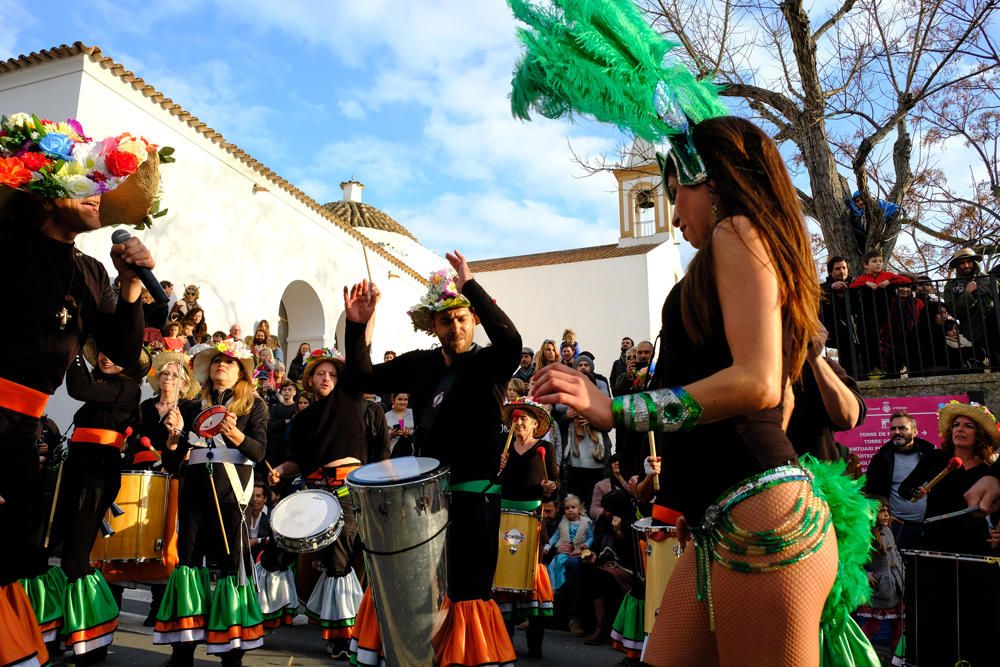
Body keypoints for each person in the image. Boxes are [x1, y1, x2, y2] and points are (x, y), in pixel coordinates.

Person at [530, 115, 876, 665]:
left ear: (709, 181)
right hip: (720, 523)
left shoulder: (734, 231)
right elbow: (779, 399)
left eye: (676, 193)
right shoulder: (731, 253)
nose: (672, 214)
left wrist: (616, 409)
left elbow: (759, 385)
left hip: (760, 522)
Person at [0, 112, 157, 667]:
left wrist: (132, 285)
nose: (99, 196)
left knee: (14, 557)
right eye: (85, 184)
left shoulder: (91, 273)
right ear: (45, 189)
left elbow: (122, 346)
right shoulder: (9, 243)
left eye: (102, 187)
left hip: (22, 435)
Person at [341, 252, 521, 667]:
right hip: (425, 501)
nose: (455, 327)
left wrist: (471, 284)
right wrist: (356, 324)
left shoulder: (490, 362)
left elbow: (511, 341)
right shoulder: (419, 363)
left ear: (473, 320)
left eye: (462, 318)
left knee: (469, 590)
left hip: (475, 495)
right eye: (446, 320)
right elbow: (360, 379)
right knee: (419, 591)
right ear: (433, 325)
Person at [156, 340, 267, 666]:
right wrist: (174, 439)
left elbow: (259, 452)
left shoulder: (253, 406)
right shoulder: (191, 406)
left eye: (229, 363)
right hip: (194, 493)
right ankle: (183, 649)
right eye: (217, 361)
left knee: (232, 567)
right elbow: (172, 461)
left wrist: (234, 435)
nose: (222, 365)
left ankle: (232, 650)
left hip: (232, 494)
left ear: (241, 372)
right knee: (187, 565)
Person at [47, 343, 148, 661]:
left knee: (77, 558)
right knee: (58, 552)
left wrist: (72, 346)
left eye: (115, 353)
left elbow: (78, 388)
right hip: (76, 468)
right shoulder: (100, 387)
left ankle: (93, 636)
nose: (106, 356)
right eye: (102, 351)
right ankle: (60, 631)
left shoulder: (128, 388)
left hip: (98, 474)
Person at [268, 348, 366, 659]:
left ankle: (341, 638)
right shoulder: (303, 418)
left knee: (340, 561)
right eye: (321, 373)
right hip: (312, 491)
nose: (326, 378)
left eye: (333, 374)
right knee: (278, 548)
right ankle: (268, 616)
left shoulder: (349, 401)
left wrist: (364, 320)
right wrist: (281, 470)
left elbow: (361, 353)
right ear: (309, 379)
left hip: (345, 491)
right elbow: (297, 460)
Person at [897, 401, 1000, 666]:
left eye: (968, 426)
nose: (960, 430)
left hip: (972, 547)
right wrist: (917, 492)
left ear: (980, 435)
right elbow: (906, 489)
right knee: (934, 609)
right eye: (956, 425)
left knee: (971, 610)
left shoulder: (989, 472)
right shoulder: (935, 459)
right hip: (934, 543)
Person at [494, 397, 558, 660]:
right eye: (515, 419)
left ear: (534, 424)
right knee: (504, 578)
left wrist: (551, 488)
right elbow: (491, 480)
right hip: (504, 517)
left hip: (533, 516)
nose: (518, 422)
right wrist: (494, 468)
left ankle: (535, 643)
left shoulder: (546, 448)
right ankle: (504, 640)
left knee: (533, 576)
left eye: (523, 419)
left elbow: (555, 482)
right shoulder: (502, 447)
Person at [863, 410, 935, 550]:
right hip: (898, 527)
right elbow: (872, 493)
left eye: (902, 428)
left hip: (929, 526)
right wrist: (884, 517)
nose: (897, 432)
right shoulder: (881, 459)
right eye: (893, 428)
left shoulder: (930, 455)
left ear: (915, 432)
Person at [854, 498, 904, 657]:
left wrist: (902, 570)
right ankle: (859, 652)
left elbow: (895, 553)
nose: (886, 514)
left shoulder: (888, 531)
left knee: (899, 624)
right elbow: (855, 559)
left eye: (887, 511)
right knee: (873, 624)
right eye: (882, 511)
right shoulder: (866, 536)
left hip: (895, 585)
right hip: (880, 588)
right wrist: (864, 574)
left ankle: (896, 657)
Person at [850, 251, 908, 375]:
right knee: (871, 341)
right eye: (874, 261)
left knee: (888, 341)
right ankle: (874, 369)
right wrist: (866, 284)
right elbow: (852, 286)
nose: (878, 264)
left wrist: (889, 282)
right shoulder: (862, 278)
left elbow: (906, 280)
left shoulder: (888, 275)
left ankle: (892, 370)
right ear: (866, 265)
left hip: (887, 314)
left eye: (880, 261)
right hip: (868, 316)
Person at [544, 494, 593, 637]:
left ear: (579, 509)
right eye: (567, 508)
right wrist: (550, 546)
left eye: (573, 507)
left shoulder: (586, 523)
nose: (570, 510)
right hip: (561, 554)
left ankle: (574, 617)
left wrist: (586, 546)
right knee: (554, 565)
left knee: (571, 564)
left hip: (578, 552)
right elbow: (554, 537)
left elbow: (591, 536)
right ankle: (535, 612)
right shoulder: (562, 523)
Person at [943, 247, 1000, 366]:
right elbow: (954, 312)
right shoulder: (951, 287)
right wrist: (967, 293)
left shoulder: (990, 281)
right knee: (976, 367)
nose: (966, 265)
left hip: (995, 330)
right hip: (972, 334)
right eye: (962, 263)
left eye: (969, 261)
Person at [820, 256, 859, 376]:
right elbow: (814, 298)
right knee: (834, 370)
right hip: (832, 339)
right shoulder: (823, 288)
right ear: (830, 272)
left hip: (855, 338)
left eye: (844, 268)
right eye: (837, 269)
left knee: (856, 370)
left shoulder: (856, 287)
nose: (842, 271)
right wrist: (831, 288)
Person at [385, 393, 415, 457]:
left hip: (411, 453)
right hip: (392, 453)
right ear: (393, 400)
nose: (403, 402)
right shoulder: (386, 416)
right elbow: (381, 438)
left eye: (405, 399)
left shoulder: (412, 413)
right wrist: (391, 435)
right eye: (400, 399)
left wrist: (409, 434)